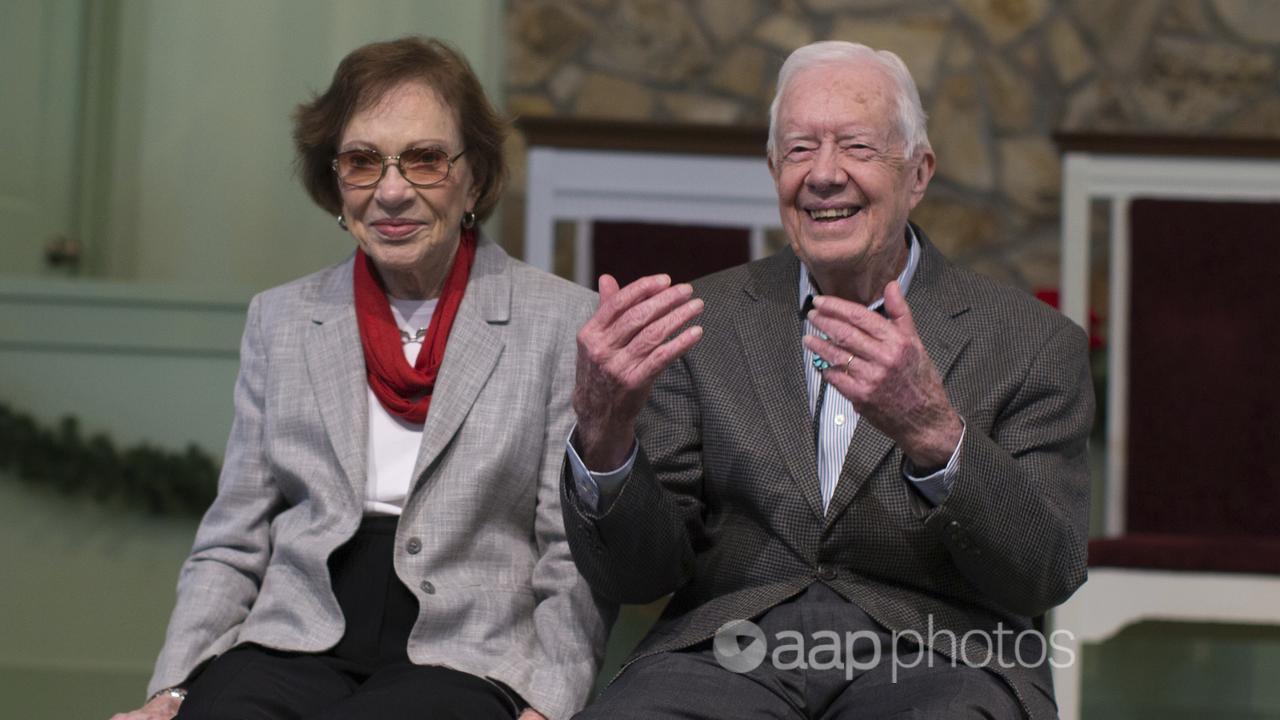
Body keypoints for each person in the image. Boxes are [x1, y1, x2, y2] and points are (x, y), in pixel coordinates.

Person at [563, 41, 1092, 719]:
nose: (824, 175)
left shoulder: (1030, 342)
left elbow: (1046, 570)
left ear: (919, 173)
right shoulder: (699, 324)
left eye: (857, 148)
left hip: (939, 657)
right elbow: (640, 573)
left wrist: (936, 435)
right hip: (729, 658)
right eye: (800, 149)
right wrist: (605, 438)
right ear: (773, 169)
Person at [111, 36, 611, 720]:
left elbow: (571, 553)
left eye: (425, 160)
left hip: (469, 648)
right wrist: (170, 691)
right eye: (362, 162)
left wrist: (547, 702)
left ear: (475, 176)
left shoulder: (561, 321)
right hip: (294, 634)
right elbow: (233, 537)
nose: (393, 191)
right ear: (335, 183)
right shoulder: (281, 319)